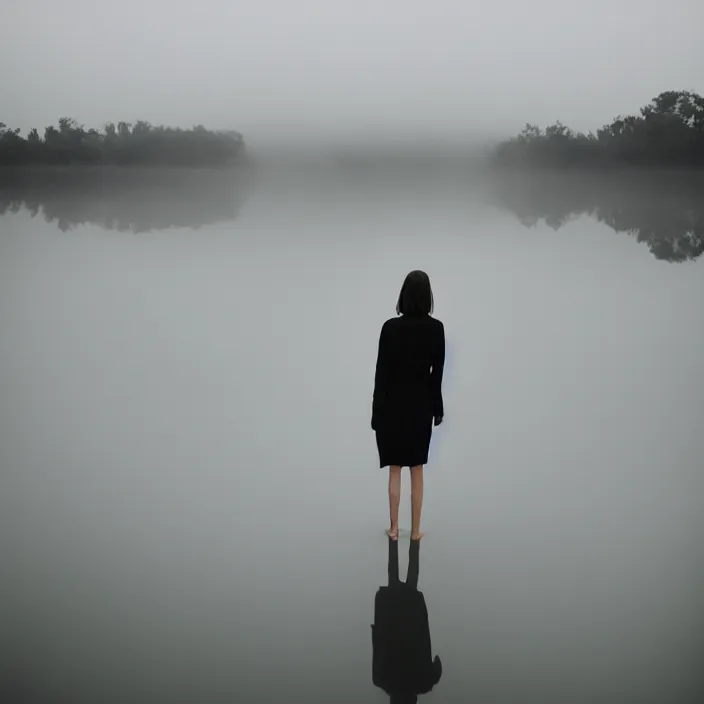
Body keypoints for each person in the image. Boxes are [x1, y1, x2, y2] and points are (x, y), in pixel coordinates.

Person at [372, 270, 445, 541]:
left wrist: (376, 412)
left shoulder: (390, 328)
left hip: (392, 405)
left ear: (403, 295)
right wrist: (437, 409)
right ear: (428, 297)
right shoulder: (436, 329)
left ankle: (393, 529)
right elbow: (435, 376)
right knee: (416, 469)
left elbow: (381, 374)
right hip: (420, 406)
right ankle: (414, 531)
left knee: (394, 468)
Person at [371, 537, 443, 703]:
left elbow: (437, 666)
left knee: (412, 578)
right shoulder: (381, 680)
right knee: (393, 575)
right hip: (391, 619)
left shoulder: (424, 683)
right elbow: (377, 644)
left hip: (412, 623)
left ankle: (414, 539)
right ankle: (394, 538)